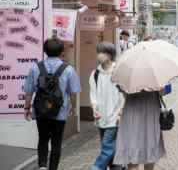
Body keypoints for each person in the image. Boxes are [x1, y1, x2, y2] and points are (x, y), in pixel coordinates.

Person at [24, 38, 81, 170]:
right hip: (60, 112)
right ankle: (52, 168)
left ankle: (42, 166)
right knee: (56, 141)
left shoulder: (35, 68)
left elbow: (28, 91)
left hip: (40, 110)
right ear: (62, 51)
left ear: (45, 51)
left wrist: (27, 108)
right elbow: (73, 92)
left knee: (42, 138)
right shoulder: (68, 69)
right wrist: (72, 108)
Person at [90, 42, 125, 170]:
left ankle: (96, 167)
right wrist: (94, 109)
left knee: (107, 146)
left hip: (115, 117)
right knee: (109, 148)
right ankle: (119, 167)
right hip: (100, 118)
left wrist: (121, 112)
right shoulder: (95, 74)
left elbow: (124, 95)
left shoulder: (118, 72)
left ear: (110, 55)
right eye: (98, 52)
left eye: (102, 52)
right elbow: (93, 94)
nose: (99, 55)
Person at [113, 91, 166, 170]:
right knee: (150, 145)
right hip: (150, 109)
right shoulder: (154, 79)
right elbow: (162, 92)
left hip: (133, 109)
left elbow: (124, 93)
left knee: (133, 147)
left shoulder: (130, 79)